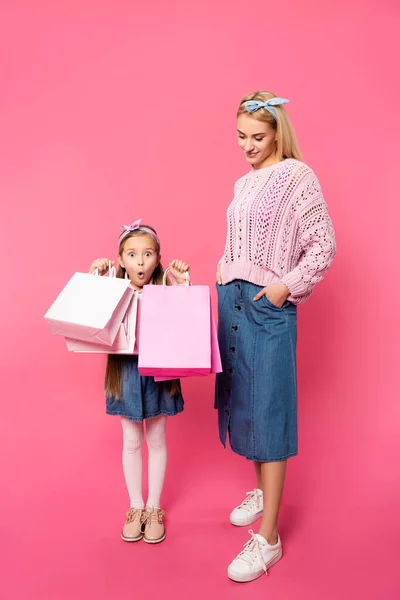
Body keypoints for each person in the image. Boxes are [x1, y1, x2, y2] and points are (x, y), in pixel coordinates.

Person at [215, 91, 336, 582]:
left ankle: (269, 539)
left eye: (258, 137)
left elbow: (322, 244)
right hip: (232, 301)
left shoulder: (297, 177)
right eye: (241, 136)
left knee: (269, 407)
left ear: (278, 132)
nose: (248, 146)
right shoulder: (244, 183)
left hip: (267, 304)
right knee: (243, 403)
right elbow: (238, 243)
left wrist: (286, 288)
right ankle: (263, 492)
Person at [90, 219, 189, 544]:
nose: (140, 261)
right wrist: (96, 279)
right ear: (120, 259)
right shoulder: (113, 288)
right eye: (132, 254)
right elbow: (90, 317)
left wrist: (182, 283)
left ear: (158, 259)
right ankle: (135, 507)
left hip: (158, 372)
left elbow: (186, 319)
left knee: (157, 440)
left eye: (147, 254)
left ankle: (153, 508)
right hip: (125, 373)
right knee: (131, 442)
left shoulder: (165, 289)